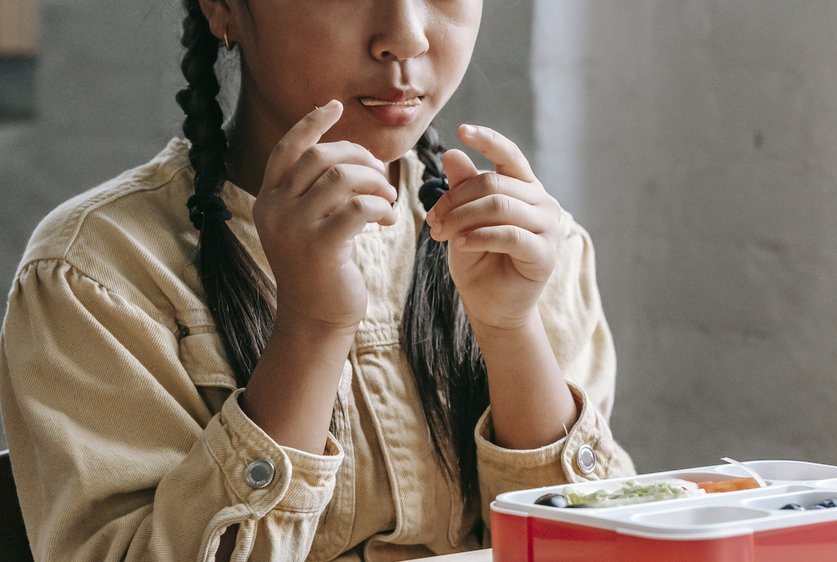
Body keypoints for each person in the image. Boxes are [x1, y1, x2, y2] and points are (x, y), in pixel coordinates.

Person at [0, 0, 635, 560]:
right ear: (222, 8)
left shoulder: (530, 250)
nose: (405, 34)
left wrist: (511, 330)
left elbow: (597, 546)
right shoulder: (93, 275)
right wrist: (311, 325)